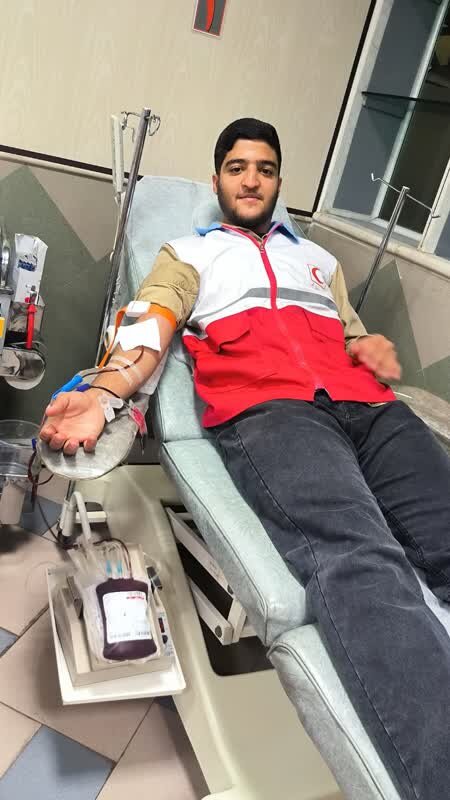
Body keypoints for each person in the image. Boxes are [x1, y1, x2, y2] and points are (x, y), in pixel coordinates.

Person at [40, 118, 450, 800]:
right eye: (237, 167)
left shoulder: (320, 261)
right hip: (272, 411)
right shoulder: (189, 253)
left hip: (370, 407)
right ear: (218, 180)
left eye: (264, 168)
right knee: (362, 558)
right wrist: (107, 391)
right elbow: (149, 324)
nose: (251, 179)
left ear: (279, 181)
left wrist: (366, 346)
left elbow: (348, 332)